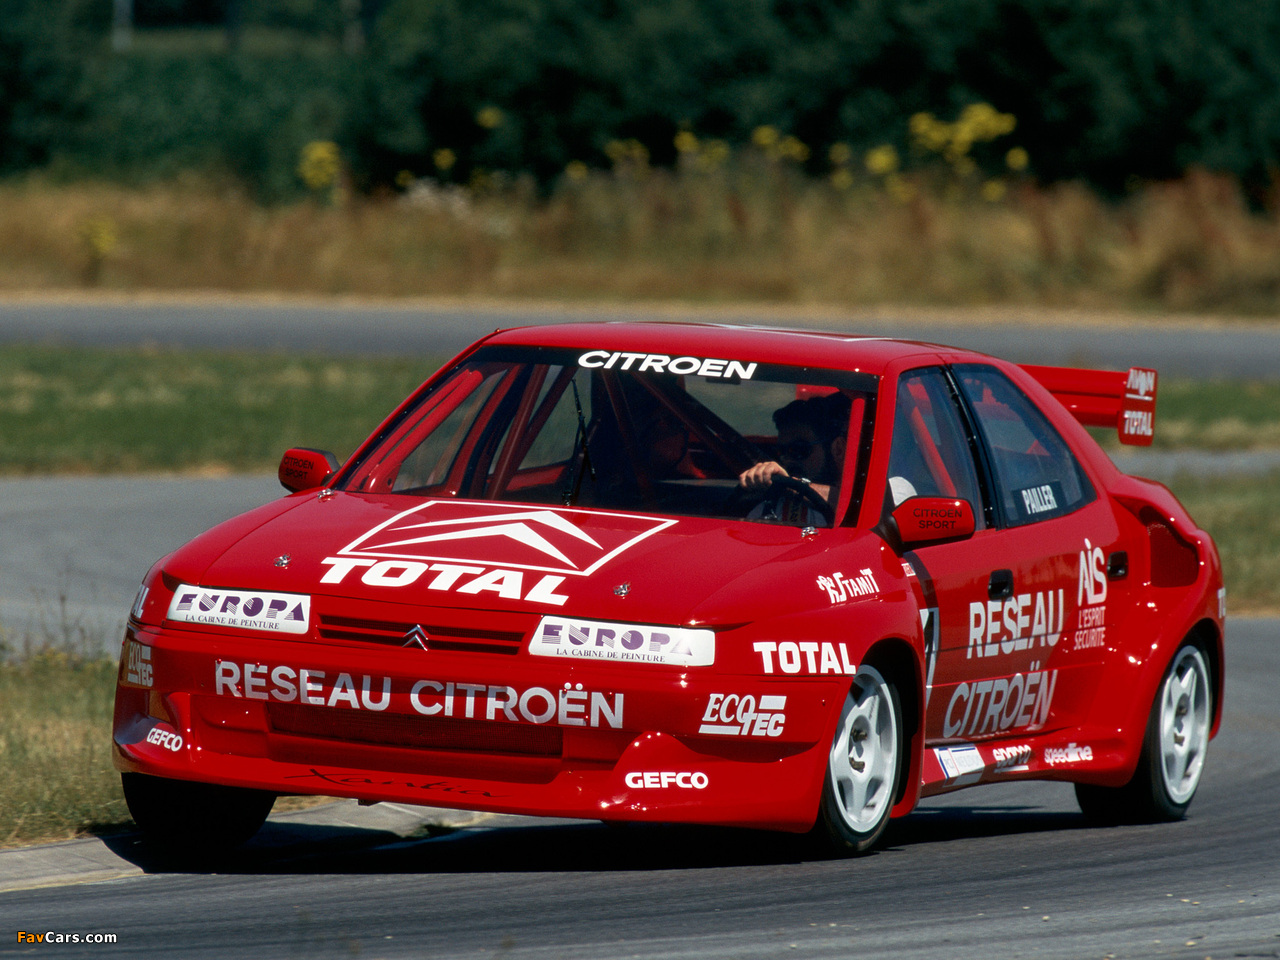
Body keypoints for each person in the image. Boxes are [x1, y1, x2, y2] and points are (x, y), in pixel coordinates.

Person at [738, 392, 851, 525]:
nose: (787, 460)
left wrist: (791, 484)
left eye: (798, 449)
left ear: (838, 449)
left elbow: (852, 506)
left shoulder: (865, 495)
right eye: (782, 452)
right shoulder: (768, 505)